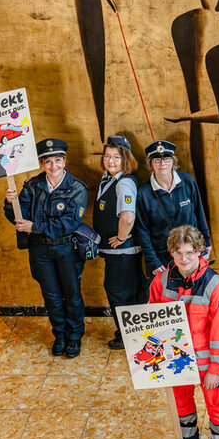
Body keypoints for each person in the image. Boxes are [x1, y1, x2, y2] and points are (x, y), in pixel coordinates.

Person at [150, 225, 219, 439]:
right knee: (181, 403)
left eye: (189, 252)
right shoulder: (159, 282)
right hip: (175, 361)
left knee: (217, 407)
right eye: (178, 252)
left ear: (200, 252)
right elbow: (152, 323)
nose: (183, 259)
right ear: (171, 253)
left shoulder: (216, 286)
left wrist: (215, 370)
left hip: (208, 364)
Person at [3, 138, 88, 358]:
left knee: (72, 295)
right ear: (41, 164)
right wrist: (10, 202)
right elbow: (18, 218)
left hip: (66, 250)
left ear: (64, 160)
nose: (53, 166)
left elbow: (68, 224)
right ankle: (59, 335)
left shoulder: (77, 189)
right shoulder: (33, 186)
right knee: (51, 296)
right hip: (40, 251)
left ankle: (75, 336)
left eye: (58, 160)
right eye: (48, 161)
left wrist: (35, 227)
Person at [92, 135, 146, 349]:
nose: (110, 161)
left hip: (122, 252)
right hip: (116, 253)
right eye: (107, 156)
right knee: (124, 292)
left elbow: (128, 216)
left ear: (126, 159)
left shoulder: (123, 182)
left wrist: (122, 237)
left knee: (120, 293)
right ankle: (129, 332)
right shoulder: (109, 178)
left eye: (116, 157)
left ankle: (128, 337)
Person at [135, 140, 211, 277]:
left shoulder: (187, 181)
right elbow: (143, 231)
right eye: (157, 159)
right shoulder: (144, 193)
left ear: (173, 162)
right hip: (162, 259)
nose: (162, 163)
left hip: (191, 254)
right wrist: (153, 261)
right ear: (151, 163)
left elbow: (199, 212)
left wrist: (207, 241)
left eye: (166, 159)